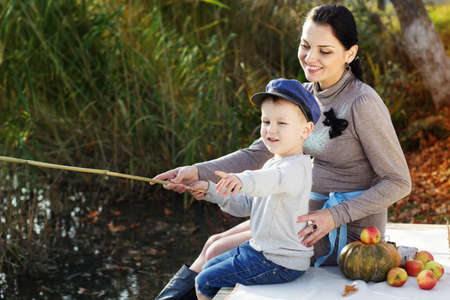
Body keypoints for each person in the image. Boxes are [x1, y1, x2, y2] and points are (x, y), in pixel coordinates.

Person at [153, 4, 411, 300]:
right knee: (214, 242)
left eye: (324, 51)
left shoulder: (363, 103)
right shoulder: (305, 93)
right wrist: (196, 171)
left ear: (349, 54)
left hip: (344, 231)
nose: (310, 58)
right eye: (305, 46)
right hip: (298, 210)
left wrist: (334, 216)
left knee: (218, 251)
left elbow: (399, 182)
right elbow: (257, 152)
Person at [191, 78, 320, 299]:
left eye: (282, 123)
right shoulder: (273, 163)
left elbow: (268, 179)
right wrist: (211, 191)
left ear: (305, 130)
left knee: (204, 280)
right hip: (259, 250)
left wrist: (241, 180)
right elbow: (246, 205)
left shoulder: (296, 168)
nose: (271, 129)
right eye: (266, 121)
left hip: (280, 261)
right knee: (209, 265)